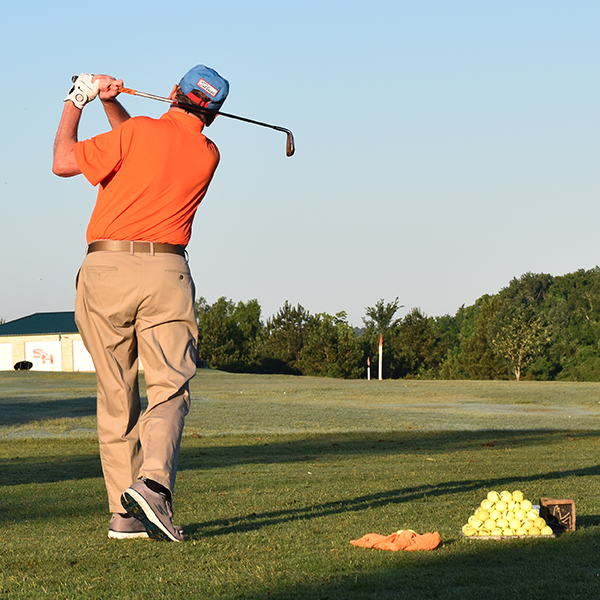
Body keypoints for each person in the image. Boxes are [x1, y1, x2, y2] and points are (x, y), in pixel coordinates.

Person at [52, 65, 230, 541]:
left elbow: (64, 160)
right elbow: (145, 145)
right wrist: (112, 104)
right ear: (212, 114)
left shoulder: (137, 133)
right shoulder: (208, 153)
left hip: (106, 269)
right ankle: (152, 484)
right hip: (167, 273)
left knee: (116, 395)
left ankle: (124, 515)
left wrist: (79, 99)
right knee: (169, 387)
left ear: (173, 92)